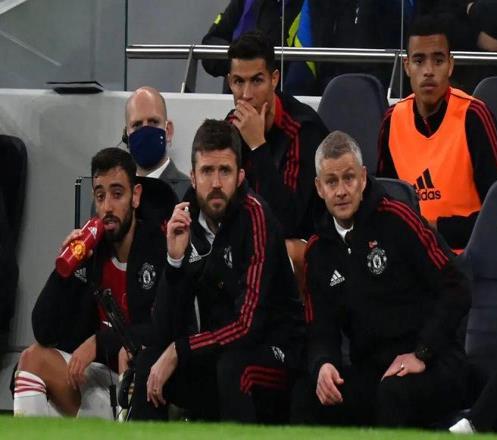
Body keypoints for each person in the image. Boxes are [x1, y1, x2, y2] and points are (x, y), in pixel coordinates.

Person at [128, 119, 304, 423]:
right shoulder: (184, 220)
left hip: (275, 353)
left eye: (225, 171)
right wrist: (174, 262)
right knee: (148, 361)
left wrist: (181, 349)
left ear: (240, 176)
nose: (216, 183)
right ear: (193, 177)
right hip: (218, 350)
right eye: (207, 171)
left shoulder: (257, 220)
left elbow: (247, 327)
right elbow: (162, 330)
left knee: (232, 368)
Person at [291, 131, 471, 427]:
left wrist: (422, 353)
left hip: (434, 361)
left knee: (393, 394)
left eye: (349, 178)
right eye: (331, 182)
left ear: (363, 178)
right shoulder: (318, 251)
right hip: (373, 370)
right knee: (306, 395)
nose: (341, 191)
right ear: (319, 188)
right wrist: (323, 364)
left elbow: (457, 286)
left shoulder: (398, 219)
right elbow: (320, 327)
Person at [12, 148, 171, 418]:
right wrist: (64, 271)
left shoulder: (159, 248)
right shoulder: (92, 252)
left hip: (144, 381)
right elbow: (43, 329)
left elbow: (164, 329)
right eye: (100, 196)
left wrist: (100, 342)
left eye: (117, 194)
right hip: (97, 381)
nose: (107, 207)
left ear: (135, 196)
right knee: (31, 358)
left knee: (133, 361)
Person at [377, 15, 497, 251]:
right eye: (419, 61)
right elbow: (385, 204)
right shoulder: (392, 121)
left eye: (438, 60)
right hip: (412, 257)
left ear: (451, 65)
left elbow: (496, 213)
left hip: (468, 257)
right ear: (406, 66)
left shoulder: (474, 116)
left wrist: (433, 229)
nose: (428, 71)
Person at [226, 31, 328, 269]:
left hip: (308, 243)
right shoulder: (231, 125)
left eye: (256, 81)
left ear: (274, 79)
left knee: (280, 250)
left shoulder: (303, 129)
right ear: (229, 82)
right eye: (239, 82)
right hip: (252, 234)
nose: (246, 95)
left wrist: (257, 145)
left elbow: (288, 221)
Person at [124, 86, 191, 201]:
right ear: (127, 135)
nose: (145, 131)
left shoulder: (190, 192)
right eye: (137, 125)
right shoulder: (111, 196)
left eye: (153, 122)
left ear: (168, 131)